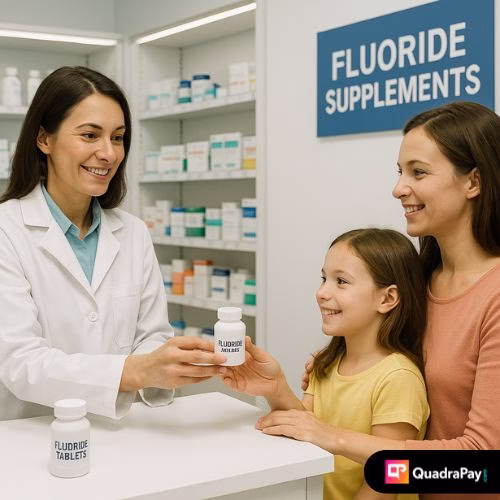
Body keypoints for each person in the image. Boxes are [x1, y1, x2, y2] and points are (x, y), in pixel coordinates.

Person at [297, 102, 500, 500]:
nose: (398, 188)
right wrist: (340, 371)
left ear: (472, 182)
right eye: (400, 172)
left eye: (418, 172)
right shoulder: (415, 281)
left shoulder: (494, 297)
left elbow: (481, 467)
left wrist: (336, 438)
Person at [0, 66, 226, 421]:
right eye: (90, 135)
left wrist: (169, 362)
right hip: (31, 436)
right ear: (44, 139)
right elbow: (20, 362)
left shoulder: (133, 232)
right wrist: (136, 371)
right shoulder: (7, 230)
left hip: (123, 433)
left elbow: (151, 336)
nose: (108, 153)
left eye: (117, 137)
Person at [221, 228, 429, 500]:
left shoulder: (398, 378)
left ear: (387, 298)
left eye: (341, 281)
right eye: (324, 278)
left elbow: (390, 475)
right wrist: (275, 387)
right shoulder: (327, 363)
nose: (321, 292)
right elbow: (307, 433)